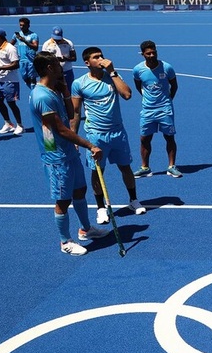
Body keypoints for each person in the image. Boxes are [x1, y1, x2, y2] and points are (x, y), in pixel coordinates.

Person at [28, 51, 110, 256]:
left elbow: (71, 113)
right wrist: (90, 145)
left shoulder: (53, 90)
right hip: (56, 156)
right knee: (63, 200)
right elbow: (61, 129)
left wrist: (65, 91)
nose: (60, 66)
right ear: (48, 68)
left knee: (80, 190)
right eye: (57, 63)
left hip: (67, 151)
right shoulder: (42, 96)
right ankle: (65, 241)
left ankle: (86, 229)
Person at [71, 47, 146, 226]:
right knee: (98, 172)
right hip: (95, 135)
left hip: (118, 132)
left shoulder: (112, 78)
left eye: (101, 56)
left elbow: (127, 94)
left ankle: (133, 200)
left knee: (125, 167)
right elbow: (75, 112)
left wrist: (112, 72)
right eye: (96, 57)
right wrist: (74, 137)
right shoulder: (79, 84)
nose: (101, 59)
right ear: (87, 63)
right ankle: (100, 208)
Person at [132, 40, 181, 178]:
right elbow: (138, 86)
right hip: (147, 110)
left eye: (154, 52)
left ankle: (171, 166)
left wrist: (167, 100)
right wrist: (147, 98)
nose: (152, 55)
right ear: (143, 54)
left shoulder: (167, 67)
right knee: (145, 139)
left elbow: (174, 86)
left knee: (169, 137)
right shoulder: (138, 70)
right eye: (148, 53)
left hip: (165, 109)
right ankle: (145, 167)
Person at [0, 26, 25, 135]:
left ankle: (20, 125)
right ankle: (8, 123)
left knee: (11, 103)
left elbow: (15, 65)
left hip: (10, 81)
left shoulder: (10, 48)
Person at [12, 17, 38, 90]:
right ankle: (36, 90)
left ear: (28, 26)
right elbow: (10, 45)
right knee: (25, 78)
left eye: (23, 25)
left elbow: (35, 47)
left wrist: (25, 41)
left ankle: (34, 93)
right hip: (21, 60)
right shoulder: (17, 35)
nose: (21, 27)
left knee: (32, 78)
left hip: (31, 61)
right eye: (20, 25)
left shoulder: (33, 35)